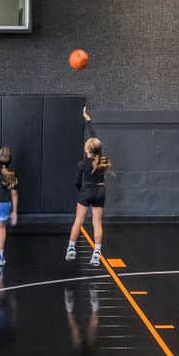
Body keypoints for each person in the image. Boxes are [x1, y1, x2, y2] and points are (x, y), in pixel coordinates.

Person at [66, 108, 111, 267]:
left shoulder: (82, 163)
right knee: (97, 223)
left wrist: (80, 191)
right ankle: (97, 252)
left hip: (86, 192)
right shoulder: (103, 159)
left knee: (79, 220)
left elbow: (77, 182)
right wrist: (88, 119)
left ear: (87, 150)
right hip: (100, 191)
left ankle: (71, 247)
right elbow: (94, 138)